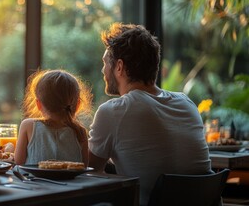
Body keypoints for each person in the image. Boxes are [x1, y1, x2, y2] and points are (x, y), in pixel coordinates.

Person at [88, 23, 212, 206]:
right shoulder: (187, 103)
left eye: (105, 63)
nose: (102, 71)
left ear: (119, 67)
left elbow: (90, 170)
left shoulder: (114, 111)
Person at [14, 69, 93, 166]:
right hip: (70, 181)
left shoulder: (28, 125)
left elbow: (18, 162)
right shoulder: (80, 132)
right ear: (77, 105)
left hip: (35, 181)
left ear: (38, 104)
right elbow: (83, 167)